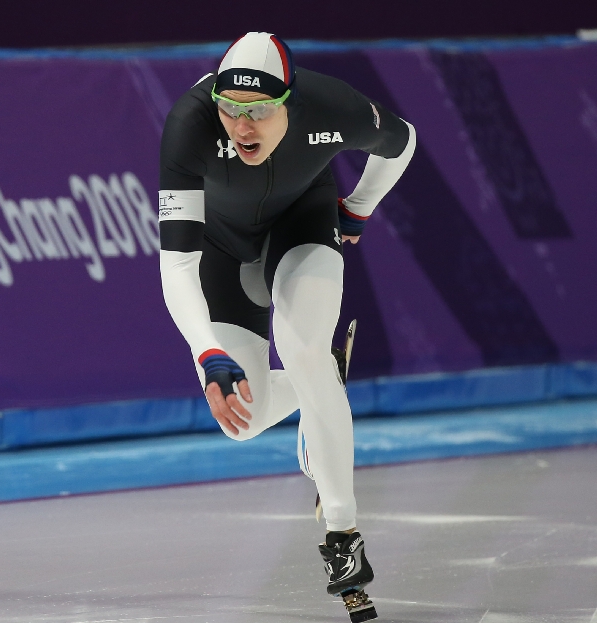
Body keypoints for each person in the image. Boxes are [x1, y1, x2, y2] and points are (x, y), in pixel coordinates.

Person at [158, 32, 415, 620]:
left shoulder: (331, 106)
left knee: (300, 348)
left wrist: (359, 207)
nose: (242, 126)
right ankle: (320, 382)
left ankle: (343, 537)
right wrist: (207, 354)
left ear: (290, 102)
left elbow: (402, 142)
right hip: (222, 251)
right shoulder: (188, 126)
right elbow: (177, 265)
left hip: (303, 225)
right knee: (241, 423)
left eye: (259, 112)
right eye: (230, 109)